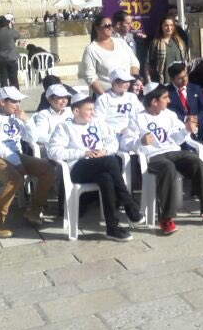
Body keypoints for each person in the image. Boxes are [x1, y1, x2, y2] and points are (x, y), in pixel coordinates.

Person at [125, 84, 203, 235]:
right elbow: (125, 143)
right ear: (154, 101)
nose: (169, 101)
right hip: (153, 156)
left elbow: (177, 139)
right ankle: (166, 218)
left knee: (197, 162)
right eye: (165, 98)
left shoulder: (169, 115)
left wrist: (186, 130)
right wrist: (140, 141)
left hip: (173, 151)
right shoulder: (137, 118)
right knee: (168, 168)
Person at [47, 93, 142, 241]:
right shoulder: (65, 127)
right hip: (77, 168)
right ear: (76, 111)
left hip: (99, 164)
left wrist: (105, 150)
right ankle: (129, 204)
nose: (93, 113)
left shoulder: (96, 123)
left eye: (93, 109)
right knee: (111, 161)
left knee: (106, 178)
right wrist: (83, 153)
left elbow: (113, 141)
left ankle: (112, 228)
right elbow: (53, 152)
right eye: (89, 109)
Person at [0, 86, 55, 238]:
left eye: (19, 101)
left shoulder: (15, 117)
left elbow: (32, 139)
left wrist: (27, 121)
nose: (18, 105)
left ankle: (33, 211)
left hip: (16, 154)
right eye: (14, 101)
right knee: (15, 178)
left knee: (47, 169)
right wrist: (16, 162)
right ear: (2, 102)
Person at [81, 15, 140, 95]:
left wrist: (134, 81)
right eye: (107, 25)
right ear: (97, 28)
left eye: (111, 25)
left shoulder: (121, 42)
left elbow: (134, 62)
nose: (110, 28)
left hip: (128, 94)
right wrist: (105, 97)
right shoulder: (91, 49)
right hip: (106, 95)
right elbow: (90, 77)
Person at [95, 69, 144, 151]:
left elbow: (141, 114)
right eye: (124, 82)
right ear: (114, 83)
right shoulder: (104, 99)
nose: (127, 84)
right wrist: (117, 131)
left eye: (128, 81)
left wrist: (133, 130)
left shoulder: (132, 97)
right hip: (112, 136)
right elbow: (98, 121)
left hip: (132, 134)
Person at [147, 16, 187, 85]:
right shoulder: (155, 43)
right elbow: (148, 64)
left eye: (171, 25)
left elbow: (185, 62)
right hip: (161, 82)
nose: (169, 28)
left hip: (178, 82)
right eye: (166, 25)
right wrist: (149, 81)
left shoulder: (180, 43)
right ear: (161, 27)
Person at [112, 10, 148, 78]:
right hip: (117, 77)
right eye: (128, 23)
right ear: (118, 25)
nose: (131, 25)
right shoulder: (109, 39)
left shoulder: (132, 37)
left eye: (131, 23)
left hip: (132, 75)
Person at [0, 14, 22, 88]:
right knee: (13, 78)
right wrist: (11, 27)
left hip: (1, 59)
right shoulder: (11, 31)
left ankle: (5, 94)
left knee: (3, 78)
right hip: (11, 57)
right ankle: (15, 93)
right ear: (7, 23)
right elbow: (18, 35)